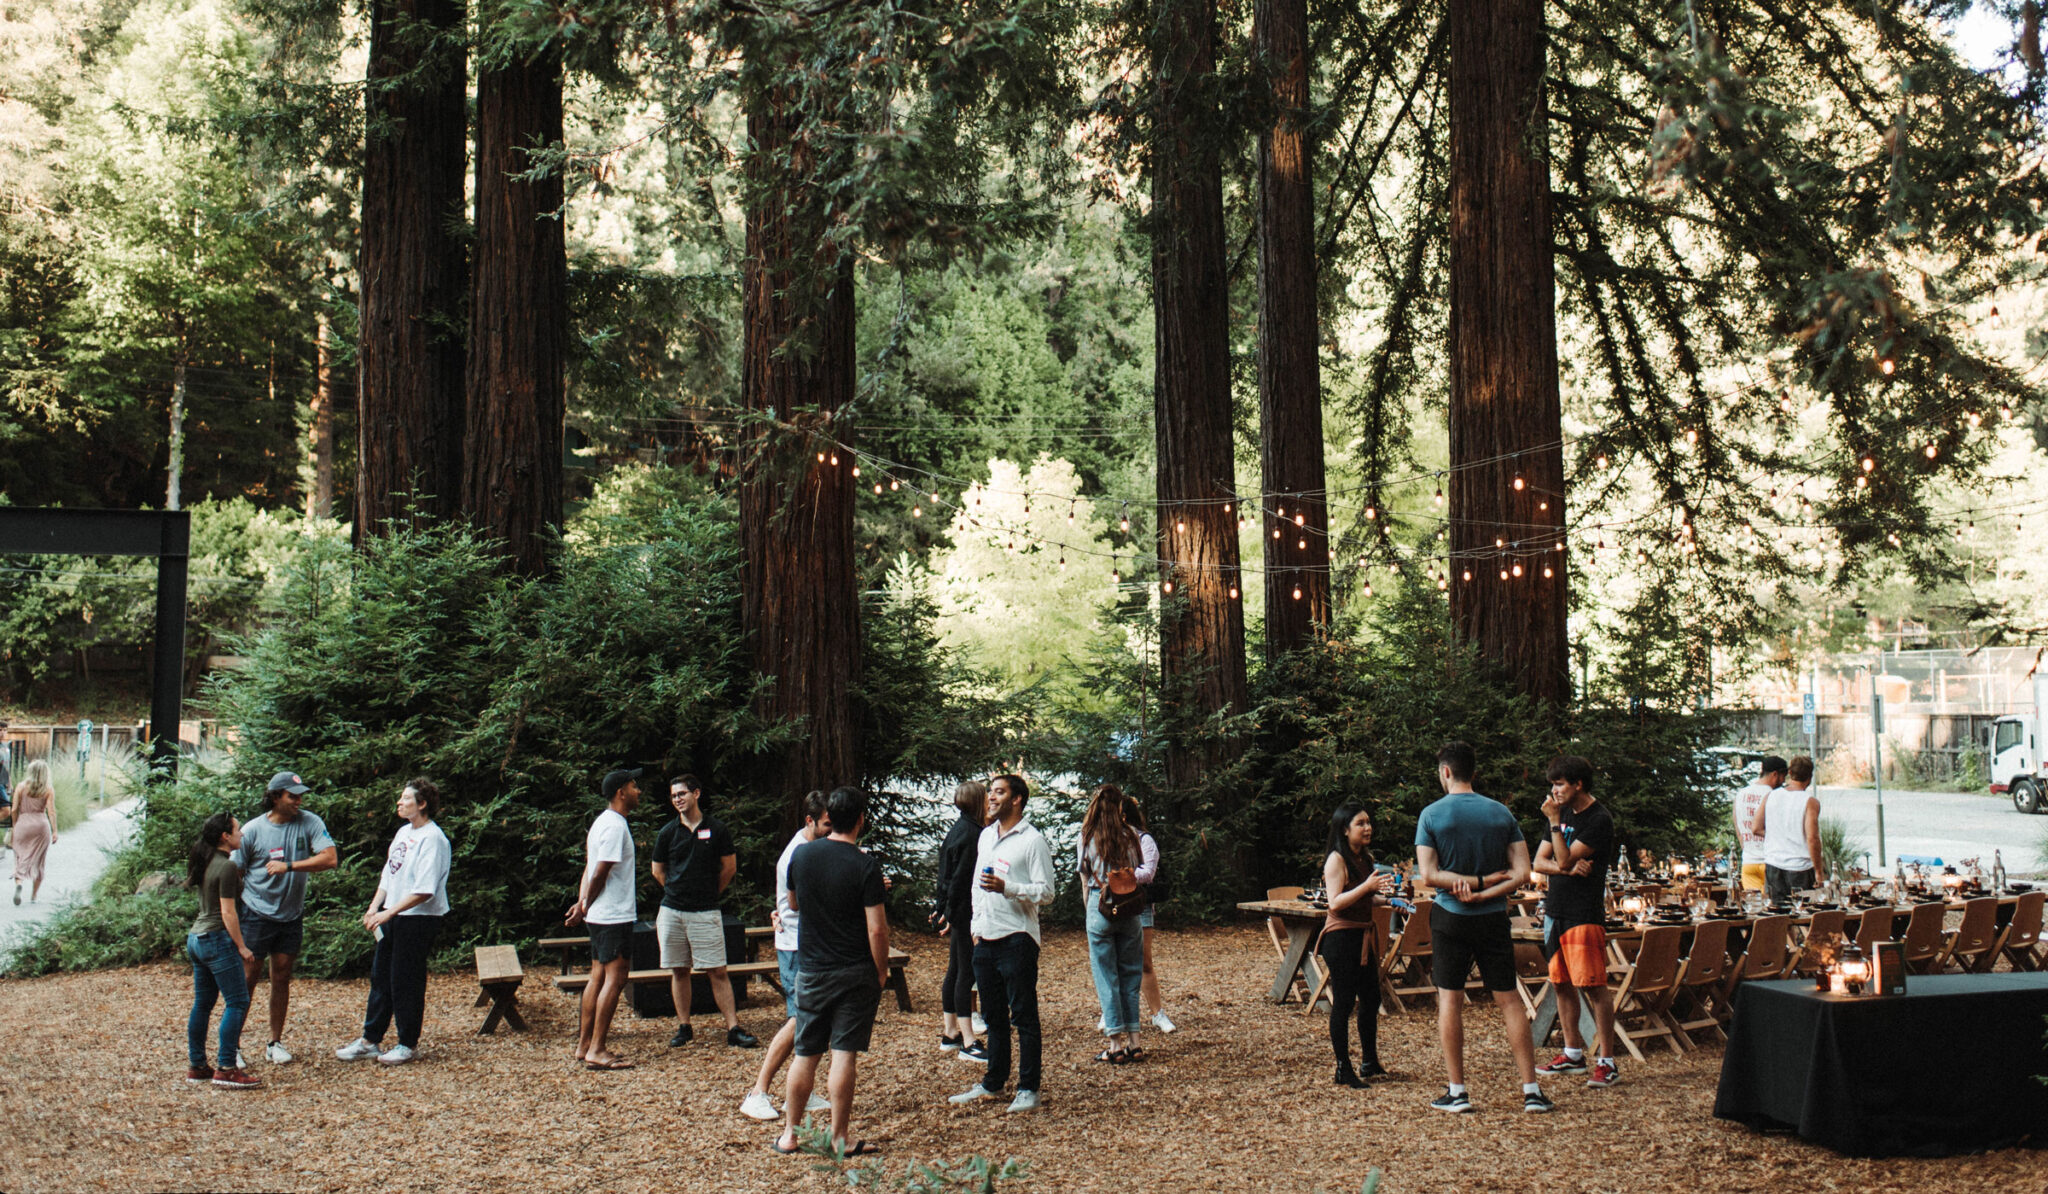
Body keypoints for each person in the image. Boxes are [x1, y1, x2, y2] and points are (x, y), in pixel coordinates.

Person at [1412, 741, 1548, 1114]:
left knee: (1450, 1000)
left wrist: (1468, 886)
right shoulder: (1500, 813)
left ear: (1445, 772)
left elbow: (1428, 874)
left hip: (1450, 917)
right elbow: (1522, 873)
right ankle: (1531, 1090)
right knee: (1509, 999)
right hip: (1492, 918)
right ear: (1474, 771)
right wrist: (1485, 885)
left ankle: (1458, 1091)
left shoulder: (1431, 814)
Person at [774, 786, 890, 1158]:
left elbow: (792, 902)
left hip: (811, 969)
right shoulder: (865, 864)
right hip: (854, 970)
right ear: (860, 820)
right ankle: (838, 1137)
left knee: (805, 1053)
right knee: (843, 1053)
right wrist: (881, 970)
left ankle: (790, 1134)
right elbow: (877, 929)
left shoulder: (802, 856)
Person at [950, 774, 1055, 1114]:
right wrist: (975, 927)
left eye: (999, 792)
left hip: (1017, 938)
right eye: (990, 792)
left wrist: (1008, 887)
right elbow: (976, 887)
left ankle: (1028, 1089)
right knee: (993, 1016)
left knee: (1023, 1016)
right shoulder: (984, 836)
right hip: (986, 938)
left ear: (1017, 800)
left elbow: (1047, 892)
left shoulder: (1032, 840)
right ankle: (993, 1082)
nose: (991, 798)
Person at [335, 777, 451, 1066]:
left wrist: (389, 912)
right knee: (381, 976)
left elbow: (425, 890)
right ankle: (370, 1039)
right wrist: (375, 907)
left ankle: (407, 1043)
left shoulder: (433, 839)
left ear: (422, 804)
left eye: (406, 798)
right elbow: (389, 874)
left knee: (405, 980)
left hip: (418, 919)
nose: (399, 803)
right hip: (393, 915)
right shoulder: (403, 833)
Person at [740, 790, 833, 1122]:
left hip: (809, 943)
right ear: (809, 821)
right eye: (825, 824)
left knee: (815, 1019)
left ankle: (802, 1092)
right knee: (799, 1019)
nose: (830, 830)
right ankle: (757, 1092)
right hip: (795, 946)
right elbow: (799, 903)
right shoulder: (798, 854)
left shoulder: (815, 849)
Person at [232, 769, 337, 1066]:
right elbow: (234, 871)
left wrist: (289, 866)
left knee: (282, 975)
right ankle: (233, 1045)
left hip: (291, 915)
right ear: (275, 797)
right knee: (249, 977)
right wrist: (235, 912)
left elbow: (330, 859)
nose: (298, 801)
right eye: (293, 796)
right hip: (256, 913)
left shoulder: (310, 822)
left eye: (301, 796)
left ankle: (274, 1042)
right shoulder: (252, 830)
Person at [1531, 755, 1620, 1089]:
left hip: (1583, 912)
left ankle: (1608, 1061)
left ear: (1578, 784)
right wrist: (1565, 867)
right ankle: (1572, 1054)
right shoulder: (1561, 812)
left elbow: (1563, 855)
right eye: (1553, 785)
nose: (1554, 791)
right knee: (1561, 983)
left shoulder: (1598, 819)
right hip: (1555, 910)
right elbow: (1541, 862)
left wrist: (1556, 828)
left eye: (1559, 784)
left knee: (1594, 986)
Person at [652, 774, 757, 1049]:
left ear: (696, 794)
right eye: (674, 795)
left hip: (706, 912)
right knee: (679, 970)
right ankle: (684, 1027)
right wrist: (677, 891)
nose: (678, 799)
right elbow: (657, 870)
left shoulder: (718, 829)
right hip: (672, 912)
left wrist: (709, 893)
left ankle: (733, 1028)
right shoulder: (667, 832)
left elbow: (729, 867)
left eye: (682, 794)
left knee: (717, 971)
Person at [567, 767, 642, 1071]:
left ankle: (585, 1045)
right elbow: (600, 870)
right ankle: (597, 1048)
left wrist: (582, 903)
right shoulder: (614, 826)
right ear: (621, 792)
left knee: (597, 976)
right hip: (612, 914)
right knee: (616, 977)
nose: (639, 791)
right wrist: (585, 904)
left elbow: (589, 869)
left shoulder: (602, 823)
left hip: (600, 914)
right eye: (634, 786)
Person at [1319, 803, 1395, 1088]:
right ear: (1344, 829)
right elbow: (1336, 902)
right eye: (1361, 823)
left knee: (1372, 998)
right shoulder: (1336, 860)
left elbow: (1366, 898)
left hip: (1362, 937)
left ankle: (1370, 1061)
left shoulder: (1365, 858)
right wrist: (1367, 888)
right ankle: (1343, 1068)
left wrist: (1391, 901)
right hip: (1340, 939)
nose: (1368, 828)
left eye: (1368, 822)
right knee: (1344, 1003)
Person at [1077, 783, 1153, 1065]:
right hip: (1129, 908)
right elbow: (1139, 870)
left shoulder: (1087, 837)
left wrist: (1089, 911)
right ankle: (1135, 1042)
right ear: (1121, 808)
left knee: (1106, 977)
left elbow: (1084, 878)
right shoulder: (1132, 836)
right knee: (1131, 976)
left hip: (1100, 905)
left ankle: (1115, 1044)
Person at [185, 812, 260, 1089]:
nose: (242, 835)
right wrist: (241, 946)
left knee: (203, 1003)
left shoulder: (207, 862)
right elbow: (228, 913)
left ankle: (197, 1065)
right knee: (238, 1001)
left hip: (196, 938)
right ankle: (227, 1067)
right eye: (238, 831)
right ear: (225, 837)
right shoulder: (226, 867)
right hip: (216, 939)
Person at [933, 780, 986, 1056]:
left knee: (955, 969)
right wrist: (951, 913)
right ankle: (967, 1039)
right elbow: (959, 879)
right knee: (966, 971)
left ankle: (950, 1031)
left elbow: (944, 877)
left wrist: (942, 907)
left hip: (958, 909)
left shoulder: (957, 830)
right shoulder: (972, 834)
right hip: (966, 911)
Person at [1122, 794, 1174, 1033]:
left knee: (1144, 961)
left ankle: (1157, 1013)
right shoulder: (1105, 840)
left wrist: (1120, 876)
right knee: (1113, 961)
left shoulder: (1144, 840)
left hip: (1139, 904)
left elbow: (1148, 873)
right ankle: (1113, 1012)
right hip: (1111, 905)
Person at [1754, 755, 1824, 901]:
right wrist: (1818, 871)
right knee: (1803, 915)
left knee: (1777, 917)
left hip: (1773, 865)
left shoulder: (1770, 796)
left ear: (1790, 773)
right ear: (1810, 777)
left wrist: (1777, 837)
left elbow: (1756, 828)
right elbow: (1812, 838)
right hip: (1800, 868)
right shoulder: (1810, 802)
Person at [1733, 757, 1786, 893]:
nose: (1784, 781)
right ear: (1775, 774)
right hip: (1770, 862)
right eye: (1783, 776)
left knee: (1754, 907)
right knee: (1772, 909)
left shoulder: (1741, 794)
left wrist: (1747, 849)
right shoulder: (1775, 795)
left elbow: (1738, 830)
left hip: (1749, 861)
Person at [10, 758, 55, 905]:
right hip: (41, 825)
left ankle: (19, 884)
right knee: (39, 861)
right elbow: (52, 812)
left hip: (23, 823)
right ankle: (34, 896)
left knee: (20, 858)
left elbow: (14, 809)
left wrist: (15, 826)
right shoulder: (48, 789)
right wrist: (55, 831)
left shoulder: (21, 787)